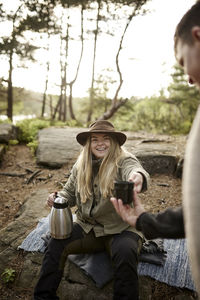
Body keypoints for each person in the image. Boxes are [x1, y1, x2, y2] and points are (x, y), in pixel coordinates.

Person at [111, 1, 200, 296]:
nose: (186, 76)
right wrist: (147, 221)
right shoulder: (82, 164)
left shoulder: (120, 155)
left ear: (197, 37)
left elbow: (133, 166)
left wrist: (138, 177)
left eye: (181, 61)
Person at [33, 120, 150, 300]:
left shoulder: (124, 159)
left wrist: (138, 177)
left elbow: (135, 169)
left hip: (121, 230)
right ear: (89, 143)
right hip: (87, 229)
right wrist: (57, 198)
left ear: (114, 142)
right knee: (54, 242)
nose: (100, 143)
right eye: (95, 139)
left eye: (106, 139)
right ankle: (43, 297)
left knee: (126, 253)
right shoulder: (80, 165)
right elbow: (69, 193)